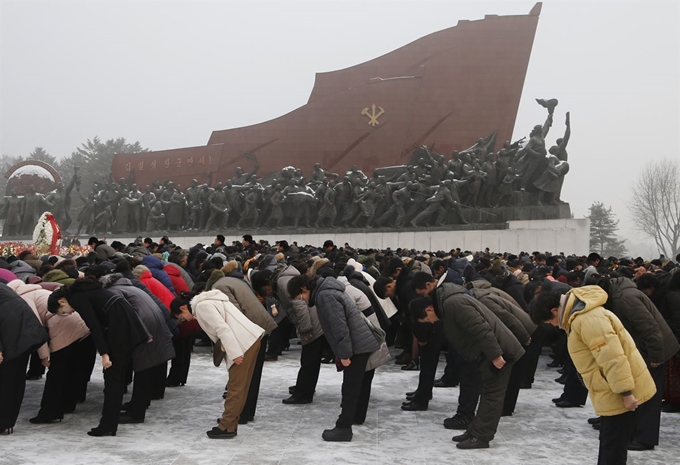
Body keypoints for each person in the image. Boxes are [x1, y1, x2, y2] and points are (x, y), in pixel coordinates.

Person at [530, 287, 657, 465]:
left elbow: (613, 359)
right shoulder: (579, 317)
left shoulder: (588, 319)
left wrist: (626, 393)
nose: (553, 325)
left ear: (555, 310)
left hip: (620, 391)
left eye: (549, 321)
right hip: (611, 389)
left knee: (613, 447)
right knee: (610, 444)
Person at [47, 278, 150, 436]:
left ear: (62, 301)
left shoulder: (76, 297)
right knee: (115, 377)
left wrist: (104, 354)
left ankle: (107, 425)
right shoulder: (84, 290)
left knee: (112, 378)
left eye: (63, 311)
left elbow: (94, 325)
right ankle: (109, 423)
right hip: (124, 320)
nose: (68, 313)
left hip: (119, 326)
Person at [287, 274, 379, 442]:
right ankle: (346, 423)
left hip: (356, 345)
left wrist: (344, 354)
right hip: (357, 342)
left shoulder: (325, 295)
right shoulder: (327, 291)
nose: (304, 301)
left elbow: (339, 326)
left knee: (350, 388)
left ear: (304, 289)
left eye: (301, 297)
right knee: (353, 386)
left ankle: (344, 428)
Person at [171, 290, 264, 439]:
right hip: (249, 339)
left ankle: (226, 426)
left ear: (183, 308)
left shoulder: (202, 307)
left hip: (243, 344)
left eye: (182, 318)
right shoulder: (210, 300)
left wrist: (235, 353)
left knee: (235, 387)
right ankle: (230, 423)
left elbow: (223, 328)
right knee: (241, 387)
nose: (186, 321)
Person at [0, 282, 49, 435]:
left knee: (7, 379)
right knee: (14, 378)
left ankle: (3, 422)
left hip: (12, 332)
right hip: (23, 330)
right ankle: (6, 422)